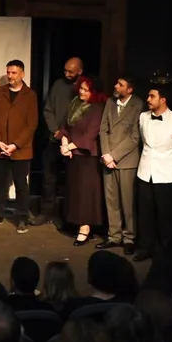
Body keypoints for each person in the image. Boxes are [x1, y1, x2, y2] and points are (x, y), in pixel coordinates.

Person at [134, 83, 172, 262]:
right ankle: (145, 247)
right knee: (145, 214)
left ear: (163, 99)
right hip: (145, 172)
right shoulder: (143, 117)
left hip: (166, 176)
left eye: (152, 96)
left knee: (165, 216)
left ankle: (165, 251)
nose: (148, 99)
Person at [0, 59, 39, 234]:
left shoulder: (30, 95)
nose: (10, 76)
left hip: (20, 150)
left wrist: (15, 145)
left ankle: (22, 217)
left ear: (22, 74)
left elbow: (31, 124)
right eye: (8, 72)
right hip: (0, 148)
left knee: (21, 185)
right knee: (0, 183)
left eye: (14, 73)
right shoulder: (0, 92)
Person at [34, 56, 83, 226]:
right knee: (48, 177)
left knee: (71, 180)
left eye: (71, 71)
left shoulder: (84, 87)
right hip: (54, 139)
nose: (67, 74)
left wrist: (70, 138)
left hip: (74, 143)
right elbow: (48, 110)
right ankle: (46, 212)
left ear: (80, 71)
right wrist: (56, 131)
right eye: (65, 70)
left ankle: (67, 216)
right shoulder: (58, 85)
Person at [98, 75, 144, 253]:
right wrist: (106, 154)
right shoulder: (110, 102)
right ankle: (114, 236)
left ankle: (129, 237)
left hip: (126, 160)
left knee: (127, 202)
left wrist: (114, 156)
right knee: (111, 200)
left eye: (120, 84)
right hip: (108, 159)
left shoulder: (138, 105)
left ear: (129, 89)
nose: (116, 86)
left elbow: (135, 137)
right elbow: (103, 129)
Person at [59, 76, 107, 246]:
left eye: (86, 90)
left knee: (86, 194)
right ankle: (74, 222)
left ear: (94, 92)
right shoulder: (74, 104)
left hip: (87, 157)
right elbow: (65, 127)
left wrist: (69, 147)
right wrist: (64, 143)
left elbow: (90, 135)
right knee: (74, 191)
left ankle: (85, 228)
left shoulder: (97, 109)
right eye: (81, 88)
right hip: (73, 155)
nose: (82, 92)